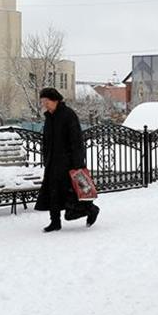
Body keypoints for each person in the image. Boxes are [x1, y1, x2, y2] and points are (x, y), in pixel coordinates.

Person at [33, 87, 99, 232]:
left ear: (55, 100)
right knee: (53, 192)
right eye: (42, 101)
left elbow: (76, 141)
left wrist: (77, 163)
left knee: (72, 193)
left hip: (68, 163)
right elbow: (47, 141)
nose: (44, 104)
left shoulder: (68, 115)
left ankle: (91, 209)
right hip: (53, 162)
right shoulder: (49, 118)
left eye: (46, 101)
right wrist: (46, 157)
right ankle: (55, 221)